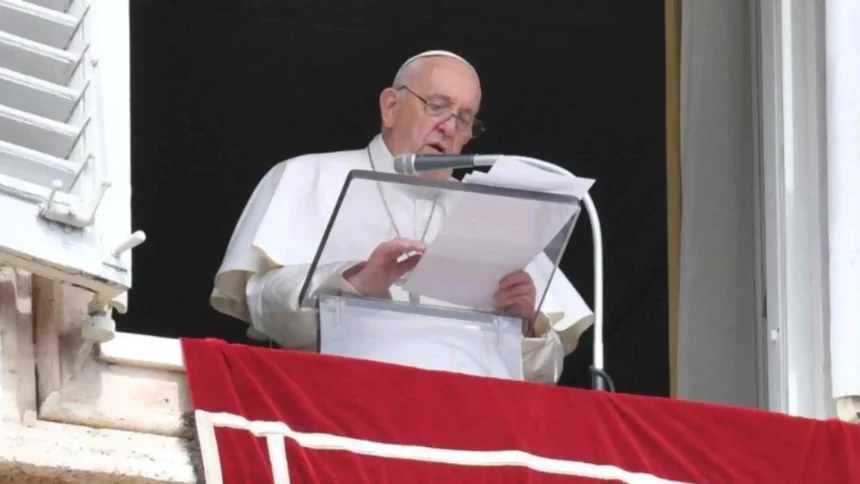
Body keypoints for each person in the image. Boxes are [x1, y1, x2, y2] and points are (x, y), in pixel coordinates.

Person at [210, 50, 594, 383]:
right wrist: (353, 282)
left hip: (466, 422)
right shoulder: (307, 176)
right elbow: (262, 306)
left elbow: (544, 371)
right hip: (335, 407)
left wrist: (523, 323)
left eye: (464, 118)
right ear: (390, 107)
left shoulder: (497, 210)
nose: (449, 126)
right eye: (437, 106)